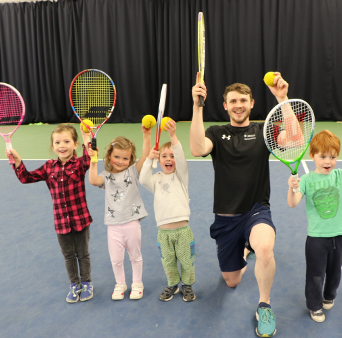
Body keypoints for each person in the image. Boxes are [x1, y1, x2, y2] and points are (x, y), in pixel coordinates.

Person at [190, 72, 289, 337]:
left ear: (252, 103)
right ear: (224, 105)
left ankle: (264, 306)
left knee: (266, 247)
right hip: (225, 218)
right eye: (233, 100)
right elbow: (198, 148)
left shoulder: (263, 130)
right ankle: (245, 250)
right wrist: (196, 105)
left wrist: (282, 99)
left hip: (256, 210)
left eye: (243, 100)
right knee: (232, 281)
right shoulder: (216, 132)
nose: (238, 105)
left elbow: (291, 140)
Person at [287, 129, 342, 323]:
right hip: (316, 238)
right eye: (323, 156)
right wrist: (292, 188)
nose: (328, 161)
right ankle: (315, 306)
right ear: (312, 156)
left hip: (339, 237)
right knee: (315, 275)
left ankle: (329, 296)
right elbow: (293, 203)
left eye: (333, 157)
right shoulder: (307, 180)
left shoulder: (341, 175)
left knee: (335, 272)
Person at [7, 124, 94, 303]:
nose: (62, 145)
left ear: (75, 144)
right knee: (69, 256)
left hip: (80, 219)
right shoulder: (48, 167)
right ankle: (74, 284)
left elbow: (88, 160)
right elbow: (26, 178)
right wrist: (17, 161)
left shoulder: (78, 164)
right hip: (61, 222)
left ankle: (86, 283)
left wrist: (87, 137)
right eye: (57, 142)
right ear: (53, 146)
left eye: (67, 141)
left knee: (83, 254)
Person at [88, 126, 150, 300]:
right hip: (113, 227)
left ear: (130, 159)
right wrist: (93, 161)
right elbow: (93, 180)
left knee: (135, 256)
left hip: (132, 223)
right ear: (109, 156)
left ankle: (137, 283)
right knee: (116, 259)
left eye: (125, 158)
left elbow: (145, 157)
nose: (120, 161)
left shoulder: (132, 172)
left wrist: (146, 135)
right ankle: (120, 284)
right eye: (116, 157)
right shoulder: (106, 176)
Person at [140, 119, 196, 302]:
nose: (169, 159)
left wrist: (173, 137)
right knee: (168, 262)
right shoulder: (155, 180)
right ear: (159, 159)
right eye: (164, 156)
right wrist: (149, 158)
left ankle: (187, 285)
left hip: (183, 232)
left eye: (171, 156)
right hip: (163, 233)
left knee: (187, 260)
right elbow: (142, 179)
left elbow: (180, 157)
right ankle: (173, 284)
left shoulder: (181, 177)